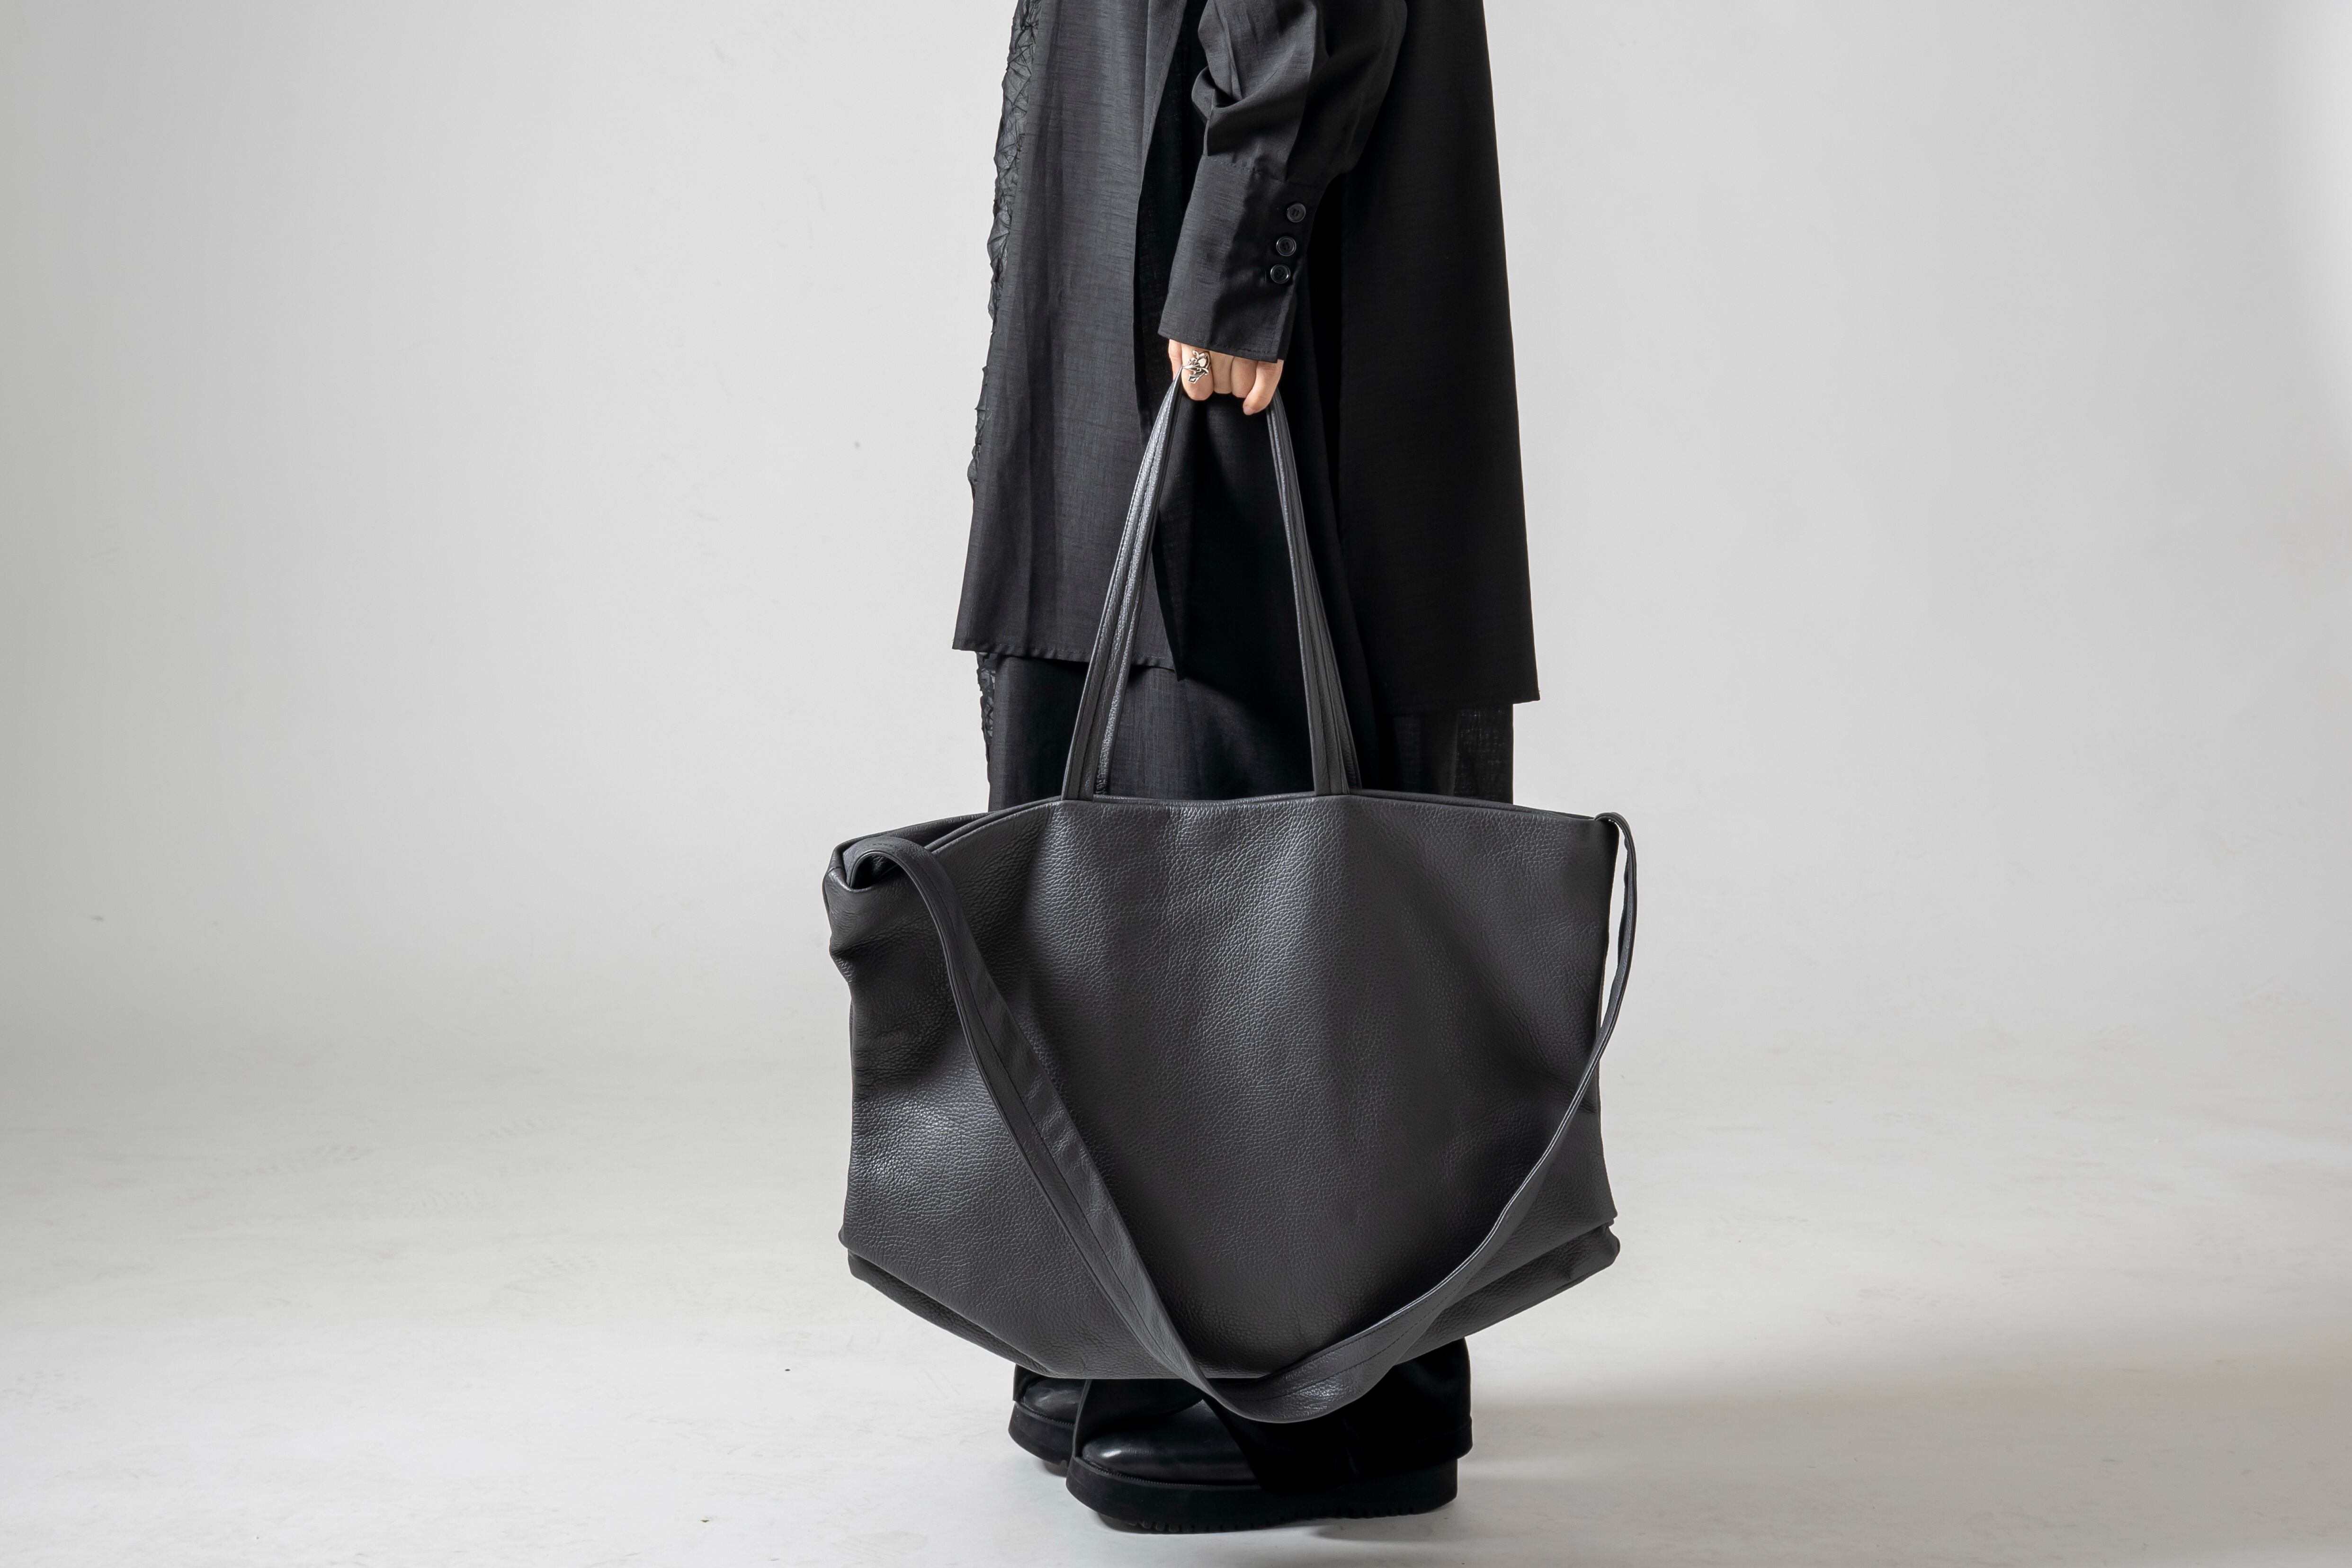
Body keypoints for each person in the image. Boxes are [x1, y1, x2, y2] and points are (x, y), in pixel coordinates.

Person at [956, 0, 1541, 1532]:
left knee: (1244, 762)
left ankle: (1299, 1380)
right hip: (1145, 168)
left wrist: (1238, 247)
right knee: (1122, 742)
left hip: (1241, 212)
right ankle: (1137, 1326)